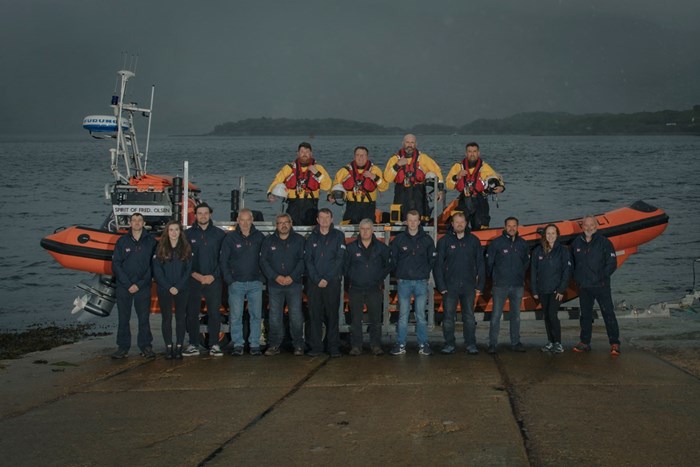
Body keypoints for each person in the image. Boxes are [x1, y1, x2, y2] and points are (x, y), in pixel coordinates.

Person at [434, 212, 485, 355]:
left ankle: (470, 344)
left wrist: (480, 286)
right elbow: (437, 266)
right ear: (452, 223)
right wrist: (441, 286)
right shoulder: (444, 241)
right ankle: (449, 344)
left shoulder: (474, 241)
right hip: (450, 287)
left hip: (469, 286)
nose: (460, 224)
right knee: (448, 317)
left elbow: (480, 264)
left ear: (466, 223)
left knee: (469, 316)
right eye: (457, 222)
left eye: (462, 222)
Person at [570, 215, 620, 356]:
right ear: (582, 226)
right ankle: (585, 342)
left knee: (608, 313)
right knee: (585, 315)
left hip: (601, 285)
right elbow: (571, 264)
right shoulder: (576, 243)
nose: (589, 228)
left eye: (591, 225)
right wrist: (577, 278)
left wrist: (601, 277)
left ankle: (614, 343)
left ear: (596, 227)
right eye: (586, 225)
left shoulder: (604, 242)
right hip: (584, 286)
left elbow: (612, 263)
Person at [389, 210, 437, 355]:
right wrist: (399, 273)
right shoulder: (399, 240)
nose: (413, 223)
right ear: (406, 221)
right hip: (404, 282)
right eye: (410, 220)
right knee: (403, 315)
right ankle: (401, 344)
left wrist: (426, 272)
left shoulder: (427, 240)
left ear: (419, 222)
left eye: (415, 220)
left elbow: (432, 259)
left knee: (420, 315)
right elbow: (393, 259)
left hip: (421, 282)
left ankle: (423, 344)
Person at [220, 208, 266, 356]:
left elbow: (265, 259)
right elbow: (223, 261)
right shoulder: (230, 238)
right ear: (238, 221)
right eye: (242, 220)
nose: (245, 223)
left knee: (256, 315)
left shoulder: (260, 237)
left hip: (255, 283)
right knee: (235, 316)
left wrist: (261, 279)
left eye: (248, 220)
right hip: (236, 283)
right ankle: (238, 344)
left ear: (252, 220)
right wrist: (230, 280)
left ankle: (254, 344)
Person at [111, 212, 157, 359]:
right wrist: (128, 283)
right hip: (124, 286)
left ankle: (146, 346)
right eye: (134, 220)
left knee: (144, 318)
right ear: (130, 223)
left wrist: (139, 284)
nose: (137, 223)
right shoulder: (122, 241)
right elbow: (116, 264)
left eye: (140, 220)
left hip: (142, 286)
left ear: (144, 223)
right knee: (123, 318)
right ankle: (122, 347)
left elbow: (153, 265)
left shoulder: (151, 241)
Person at [260, 213, 306, 356]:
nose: (284, 225)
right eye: (280, 223)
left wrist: (292, 277)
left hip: (294, 284)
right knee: (274, 317)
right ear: (276, 225)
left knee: (296, 316)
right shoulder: (268, 241)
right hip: (275, 285)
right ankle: (274, 345)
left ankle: (298, 345)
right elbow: (263, 262)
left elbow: (303, 260)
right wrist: (276, 276)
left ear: (291, 223)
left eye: (286, 222)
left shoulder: (299, 240)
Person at [183, 202, 226, 357]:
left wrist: (213, 276)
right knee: (192, 312)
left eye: (205, 213)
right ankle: (193, 344)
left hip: (213, 279)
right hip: (193, 278)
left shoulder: (219, 234)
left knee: (214, 312)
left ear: (210, 214)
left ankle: (214, 344)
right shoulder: (187, 235)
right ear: (195, 215)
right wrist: (195, 274)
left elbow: (224, 259)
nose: (203, 216)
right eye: (200, 213)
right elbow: (184, 259)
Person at [345, 218, 392, 356]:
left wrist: (378, 277)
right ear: (359, 230)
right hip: (356, 288)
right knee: (355, 319)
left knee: (375, 319)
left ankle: (376, 346)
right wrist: (353, 278)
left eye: (368, 229)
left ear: (373, 230)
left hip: (374, 288)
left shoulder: (382, 248)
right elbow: (345, 267)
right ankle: (356, 346)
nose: (365, 231)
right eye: (362, 229)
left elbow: (388, 265)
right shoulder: (351, 248)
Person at [304, 208, 346, 357]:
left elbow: (339, 260)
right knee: (314, 315)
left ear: (332, 219)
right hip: (314, 283)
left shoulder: (339, 236)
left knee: (332, 316)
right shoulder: (311, 238)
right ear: (317, 220)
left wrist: (327, 278)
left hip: (332, 282)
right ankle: (316, 347)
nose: (324, 220)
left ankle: (333, 347)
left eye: (327, 217)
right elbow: (308, 261)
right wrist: (317, 279)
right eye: (321, 218)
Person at [486, 216, 529, 354]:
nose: (511, 228)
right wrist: (495, 278)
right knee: (496, 315)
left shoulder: (523, 244)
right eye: (509, 226)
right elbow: (489, 263)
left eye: (514, 226)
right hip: (500, 285)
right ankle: (492, 343)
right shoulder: (496, 243)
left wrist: (520, 275)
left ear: (518, 227)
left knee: (515, 316)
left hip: (517, 285)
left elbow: (526, 262)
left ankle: (515, 342)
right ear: (504, 227)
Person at [152, 220, 192, 360]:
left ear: (180, 232)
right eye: (171, 230)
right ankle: (169, 346)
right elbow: (157, 270)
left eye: (176, 229)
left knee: (181, 318)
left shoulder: (186, 248)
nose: (174, 232)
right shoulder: (160, 248)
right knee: (167, 318)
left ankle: (179, 347)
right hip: (164, 289)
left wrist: (178, 286)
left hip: (182, 289)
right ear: (167, 232)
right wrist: (169, 287)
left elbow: (188, 270)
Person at [267, 142, 332, 226]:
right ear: (298, 154)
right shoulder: (289, 168)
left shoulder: (318, 168)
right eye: (302, 152)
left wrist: (317, 173)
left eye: (307, 152)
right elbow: (276, 182)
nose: (304, 154)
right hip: (293, 207)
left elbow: (328, 186)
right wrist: (270, 194)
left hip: (311, 208)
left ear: (311, 154)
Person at [383, 134, 444, 222]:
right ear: (403, 143)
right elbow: (387, 178)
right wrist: (397, 165)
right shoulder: (394, 160)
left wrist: (440, 190)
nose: (409, 145)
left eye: (412, 142)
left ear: (416, 144)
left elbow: (437, 172)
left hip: (418, 194)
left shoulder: (423, 158)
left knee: (420, 219)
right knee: (398, 220)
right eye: (407, 142)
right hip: (401, 194)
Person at [530, 224, 571, 354]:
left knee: (552, 314)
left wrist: (561, 289)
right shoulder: (538, 251)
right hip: (543, 289)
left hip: (556, 290)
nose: (550, 236)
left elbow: (566, 271)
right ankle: (550, 341)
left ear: (557, 235)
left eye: (553, 233)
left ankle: (558, 342)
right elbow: (533, 271)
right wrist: (534, 290)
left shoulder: (563, 251)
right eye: (548, 233)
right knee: (546, 315)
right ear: (544, 235)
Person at [446, 142, 505, 231]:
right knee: (457, 223)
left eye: (474, 151)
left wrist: (501, 187)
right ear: (466, 153)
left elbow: (497, 179)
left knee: (481, 225)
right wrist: (457, 176)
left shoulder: (484, 167)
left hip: (481, 199)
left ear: (478, 153)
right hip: (464, 199)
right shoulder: (458, 166)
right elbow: (448, 185)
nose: (472, 154)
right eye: (469, 151)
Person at [331, 146, 389, 224]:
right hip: (351, 207)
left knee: (368, 229)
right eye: (358, 155)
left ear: (367, 156)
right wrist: (330, 196)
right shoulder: (345, 171)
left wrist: (374, 177)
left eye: (363, 155)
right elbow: (334, 185)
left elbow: (384, 187)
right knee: (348, 230)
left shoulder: (375, 170)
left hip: (369, 208)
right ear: (354, 156)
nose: (360, 157)